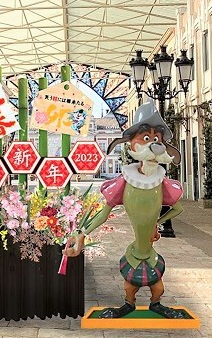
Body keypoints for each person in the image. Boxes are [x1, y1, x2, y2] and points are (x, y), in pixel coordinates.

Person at [64, 101, 186, 319]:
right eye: (146, 138)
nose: (155, 145)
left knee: (158, 288)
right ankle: (129, 304)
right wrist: (82, 233)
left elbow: (177, 208)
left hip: (149, 249)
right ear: (130, 144)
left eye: (157, 139)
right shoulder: (126, 181)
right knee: (131, 286)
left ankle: (155, 304)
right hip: (136, 249)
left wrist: (157, 223)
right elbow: (104, 213)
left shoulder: (160, 181)